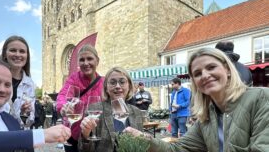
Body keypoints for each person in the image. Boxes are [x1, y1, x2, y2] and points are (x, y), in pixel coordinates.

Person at [124, 48, 269, 152]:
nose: (205, 75)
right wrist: (143, 138)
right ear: (195, 82)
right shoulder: (206, 117)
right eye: (198, 73)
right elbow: (177, 148)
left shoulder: (261, 97)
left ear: (228, 71)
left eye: (211, 67)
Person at [78, 67, 144, 152]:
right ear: (106, 87)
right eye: (112, 82)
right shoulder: (94, 109)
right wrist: (85, 135)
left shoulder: (136, 111)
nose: (117, 86)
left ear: (129, 86)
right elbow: (82, 149)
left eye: (122, 82)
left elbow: (141, 144)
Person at [57, 44, 104, 152]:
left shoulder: (103, 82)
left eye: (90, 59)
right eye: (82, 60)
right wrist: (63, 107)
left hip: (95, 134)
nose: (86, 63)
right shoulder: (74, 78)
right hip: (73, 135)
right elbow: (63, 95)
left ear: (97, 61)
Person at [0, 35, 36, 128]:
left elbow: (28, 122)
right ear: (5, 54)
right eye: (13, 50)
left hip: (16, 137)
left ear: (27, 57)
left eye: (22, 51)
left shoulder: (29, 84)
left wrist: (24, 113)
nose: (18, 54)